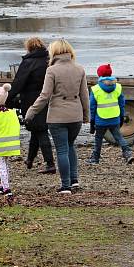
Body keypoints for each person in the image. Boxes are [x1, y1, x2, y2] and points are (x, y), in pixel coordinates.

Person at [25, 39, 90, 194]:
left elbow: (45, 96)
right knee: (70, 146)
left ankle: (65, 185)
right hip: (75, 115)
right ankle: (74, 181)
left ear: (53, 52)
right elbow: (84, 95)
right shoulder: (79, 69)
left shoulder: (52, 70)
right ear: (70, 51)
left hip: (57, 116)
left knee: (62, 150)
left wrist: (31, 112)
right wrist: (86, 115)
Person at [6, 37, 55, 174]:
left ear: (29, 48)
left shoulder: (28, 62)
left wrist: (7, 100)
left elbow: (18, 83)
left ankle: (50, 163)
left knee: (40, 130)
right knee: (37, 129)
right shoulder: (49, 61)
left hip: (31, 99)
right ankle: (30, 159)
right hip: (48, 99)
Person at [86, 64, 134, 165]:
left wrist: (92, 122)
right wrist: (121, 116)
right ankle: (128, 153)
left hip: (101, 120)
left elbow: (92, 107)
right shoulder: (118, 87)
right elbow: (122, 104)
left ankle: (95, 159)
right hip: (114, 118)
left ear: (99, 75)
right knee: (119, 137)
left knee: (98, 139)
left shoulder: (95, 89)